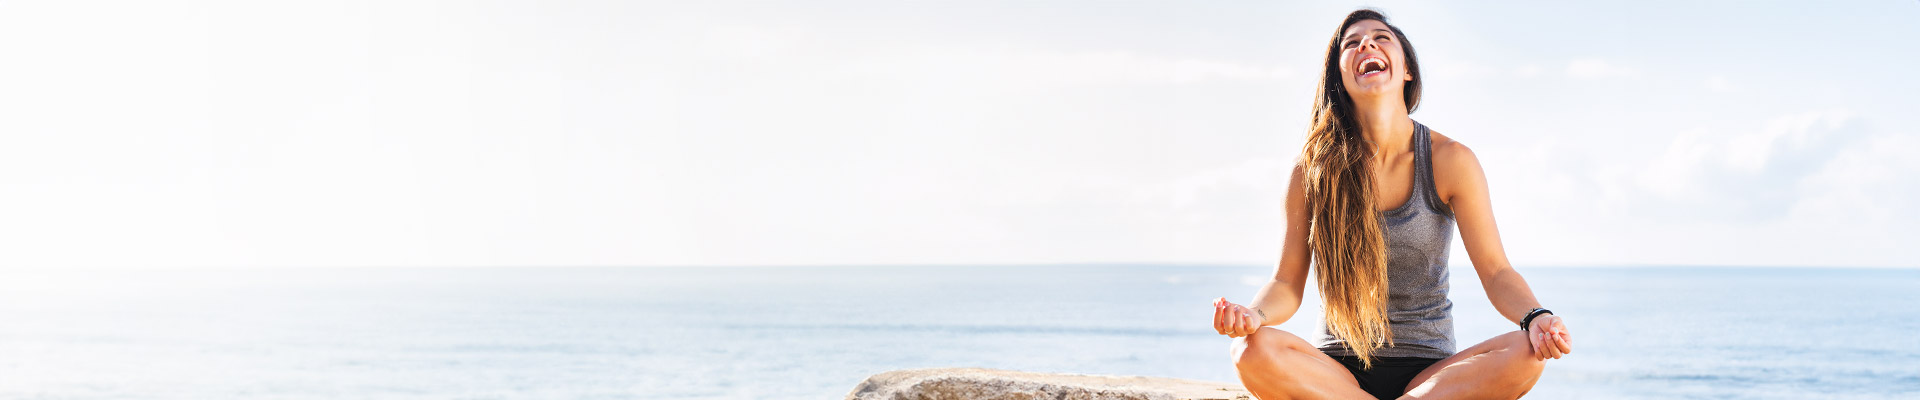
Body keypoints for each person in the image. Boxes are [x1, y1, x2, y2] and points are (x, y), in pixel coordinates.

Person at [1210, 9, 1573, 400]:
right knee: (1250, 349)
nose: (1366, 43)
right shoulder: (1311, 170)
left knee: (1526, 351)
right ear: (1341, 79)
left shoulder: (1450, 160)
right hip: (1336, 372)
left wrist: (1537, 317)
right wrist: (1254, 316)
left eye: (1381, 37)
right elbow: (1286, 282)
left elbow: (1497, 271)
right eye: (1351, 43)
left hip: (1432, 374)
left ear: (1406, 70)